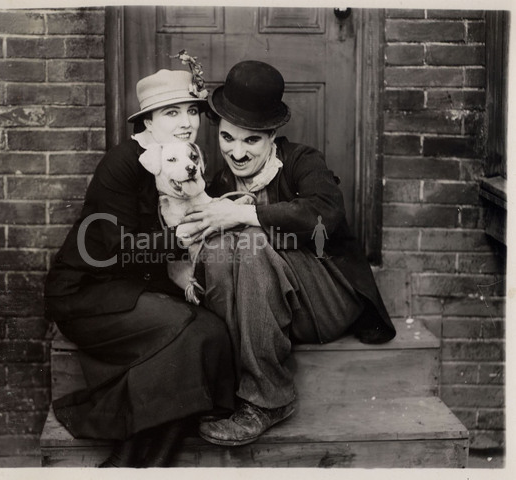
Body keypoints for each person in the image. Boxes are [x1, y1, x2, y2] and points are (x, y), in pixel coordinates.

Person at [181, 60, 397, 447]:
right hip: (270, 310)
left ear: (272, 136)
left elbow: (324, 214)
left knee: (251, 244)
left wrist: (242, 214)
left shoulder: (302, 160)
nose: (238, 152)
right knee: (217, 251)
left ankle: (270, 399)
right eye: (229, 138)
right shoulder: (222, 180)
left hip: (326, 298)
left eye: (252, 141)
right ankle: (232, 389)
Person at [43, 66, 236, 467]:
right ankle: (132, 458)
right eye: (171, 113)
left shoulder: (189, 166)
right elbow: (116, 248)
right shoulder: (124, 164)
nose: (186, 123)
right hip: (91, 292)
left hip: (141, 291)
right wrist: (177, 245)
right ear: (148, 121)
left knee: (213, 333)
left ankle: (144, 459)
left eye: (192, 111)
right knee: (191, 334)